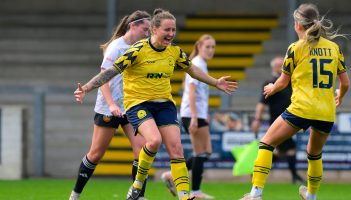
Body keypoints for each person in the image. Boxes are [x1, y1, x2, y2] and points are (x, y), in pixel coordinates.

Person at [73, 8, 237, 200]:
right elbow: (110, 72)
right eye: (167, 29)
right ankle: (136, 186)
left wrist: (215, 82)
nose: (171, 34)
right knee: (154, 141)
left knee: (177, 149)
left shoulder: (175, 52)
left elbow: (192, 70)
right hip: (138, 105)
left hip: (164, 105)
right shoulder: (137, 50)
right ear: (154, 29)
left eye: (173, 30)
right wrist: (86, 87)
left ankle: (185, 196)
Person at [241, 3, 349, 200]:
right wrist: (339, 96)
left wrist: (271, 88)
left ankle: (255, 194)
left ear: (298, 24)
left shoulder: (296, 48)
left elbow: (282, 82)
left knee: (266, 143)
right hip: (325, 112)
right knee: (314, 154)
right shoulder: (334, 48)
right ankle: (311, 195)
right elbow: (346, 83)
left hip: (301, 108)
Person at [69, 10, 151, 200]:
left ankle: (137, 195)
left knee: (143, 150)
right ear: (133, 26)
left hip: (130, 106)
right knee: (96, 154)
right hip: (109, 108)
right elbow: (104, 78)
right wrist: (112, 104)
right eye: (145, 29)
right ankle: (75, 195)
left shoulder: (141, 46)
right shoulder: (116, 47)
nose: (146, 34)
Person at [161, 34, 216, 199]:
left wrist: (203, 113)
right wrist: (194, 116)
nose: (211, 50)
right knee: (200, 152)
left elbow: (200, 94)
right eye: (207, 46)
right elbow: (191, 92)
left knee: (206, 151)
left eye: (213, 47)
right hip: (191, 114)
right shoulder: (198, 63)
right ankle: (196, 191)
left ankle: (172, 175)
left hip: (197, 114)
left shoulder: (202, 64)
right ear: (199, 46)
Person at [250, 56, 304, 184]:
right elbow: (261, 103)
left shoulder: (289, 81)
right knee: (288, 149)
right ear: (273, 67)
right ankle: (294, 176)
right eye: (279, 65)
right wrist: (257, 119)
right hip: (278, 121)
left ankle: (256, 173)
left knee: (278, 150)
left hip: (291, 119)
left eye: (282, 65)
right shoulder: (270, 83)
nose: (281, 67)